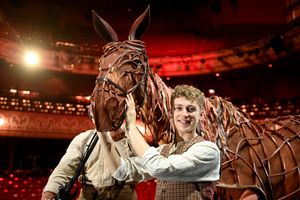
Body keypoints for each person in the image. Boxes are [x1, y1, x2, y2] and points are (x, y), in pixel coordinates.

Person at [105, 84, 221, 200]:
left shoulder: (208, 150)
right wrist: (105, 131)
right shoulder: (164, 150)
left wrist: (131, 127)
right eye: (179, 108)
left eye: (191, 109)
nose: (185, 114)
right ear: (171, 114)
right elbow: (124, 172)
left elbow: (158, 167)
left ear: (201, 115)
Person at [41, 128, 137, 200]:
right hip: (89, 194)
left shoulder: (132, 137)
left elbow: (136, 170)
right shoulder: (83, 138)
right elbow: (64, 170)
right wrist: (49, 194)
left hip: (122, 193)